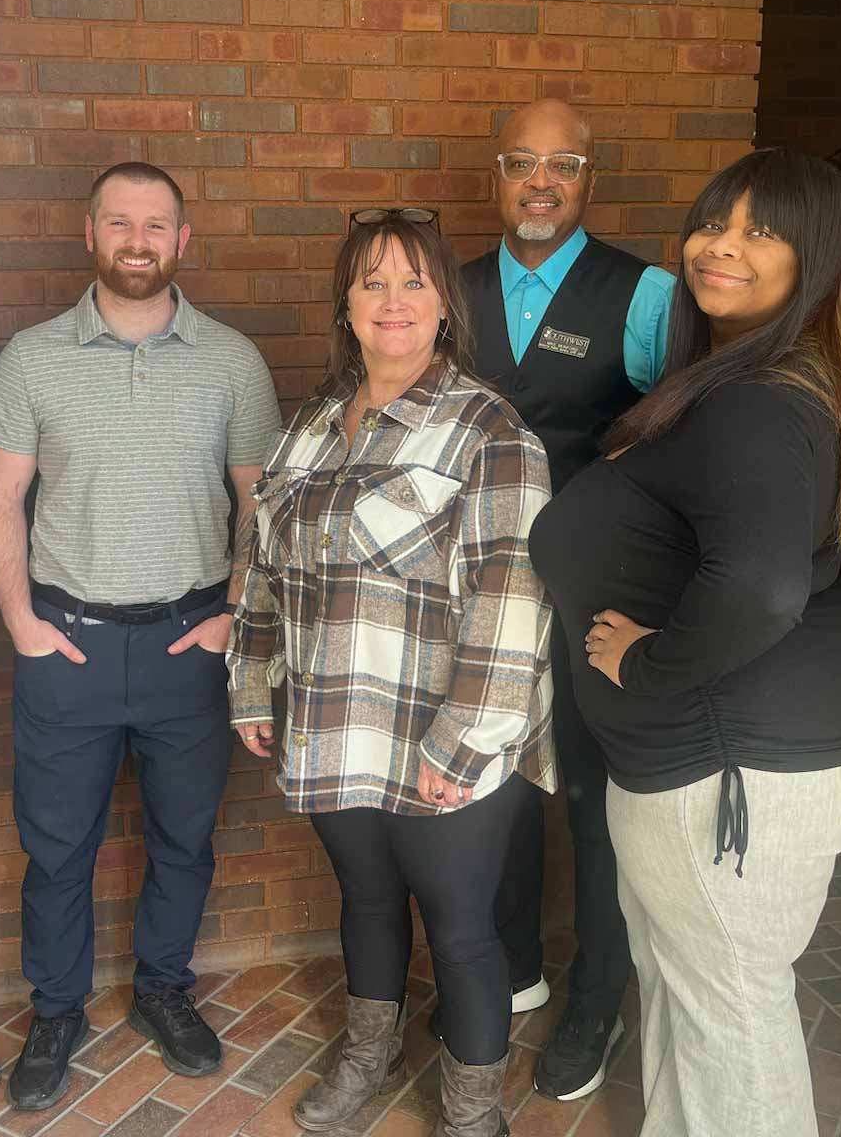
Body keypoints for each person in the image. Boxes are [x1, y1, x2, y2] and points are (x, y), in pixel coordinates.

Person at [529, 148, 841, 1137]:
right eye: (713, 221)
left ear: (816, 258)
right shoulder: (751, 380)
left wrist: (645, 664)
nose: (722, 246)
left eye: (762, 231)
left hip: (730, 756)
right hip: (734, 745)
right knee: (691, 988)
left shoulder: (765, 397)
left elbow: (762, 586)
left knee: (727, 1008)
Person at [229, 210, 555, 1137]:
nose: (393, 301)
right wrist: (254, 683)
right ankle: (368, 1057)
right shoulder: (313, 424)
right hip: (334, 721)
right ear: (347, 302)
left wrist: (465, 742)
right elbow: (260, 563)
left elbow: (513, 600)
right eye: (373, 281)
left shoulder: (490, 431)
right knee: (367, 900)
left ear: (445, 302)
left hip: (442, 737)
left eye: (414, 281)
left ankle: (471, 1114)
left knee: (459, 930)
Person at [0, 162, 281, 1109]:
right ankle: (57, 1008)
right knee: (56, 847)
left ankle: (162, 990)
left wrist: (236, 609)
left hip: (190, 645)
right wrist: (20, 622)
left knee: (185, 840)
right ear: (90, 233)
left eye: (156, 225)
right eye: (120, 223)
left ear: (184, 240)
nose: (137, 240)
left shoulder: (233, 360)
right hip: (64, 643)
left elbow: (259, 501)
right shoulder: (32, 357)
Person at [459, 98, 675, 1102]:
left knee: (591, 804)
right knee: (493, 787)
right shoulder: (449, 294)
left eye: (562, 164)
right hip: (480, 599)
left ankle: (596, 993)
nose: (539, 181)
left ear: (590, 180)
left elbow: (682, 444)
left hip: (597, 597)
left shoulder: (644, 296)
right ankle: (513, 964)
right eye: (519, 162)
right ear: (493, 177)